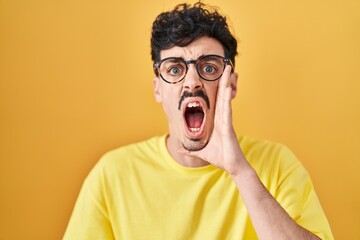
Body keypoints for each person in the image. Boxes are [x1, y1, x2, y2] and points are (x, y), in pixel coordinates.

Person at [63, 2, 334, 239]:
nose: (192, 82)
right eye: (175, 69)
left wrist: (240, 171)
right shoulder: (112, 174)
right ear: (158, 89)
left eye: (208, 68)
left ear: (232, 85)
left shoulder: (276, 165)